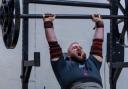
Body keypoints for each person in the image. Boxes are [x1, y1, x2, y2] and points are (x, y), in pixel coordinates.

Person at [43, 13, 104, 89]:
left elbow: (98, 42)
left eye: (80, 47)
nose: (78, 48)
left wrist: (99, 23)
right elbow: (53, 45)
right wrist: (48, 23)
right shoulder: (62, 66)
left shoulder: (92, 63)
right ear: (68, 55)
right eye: (74, 47)